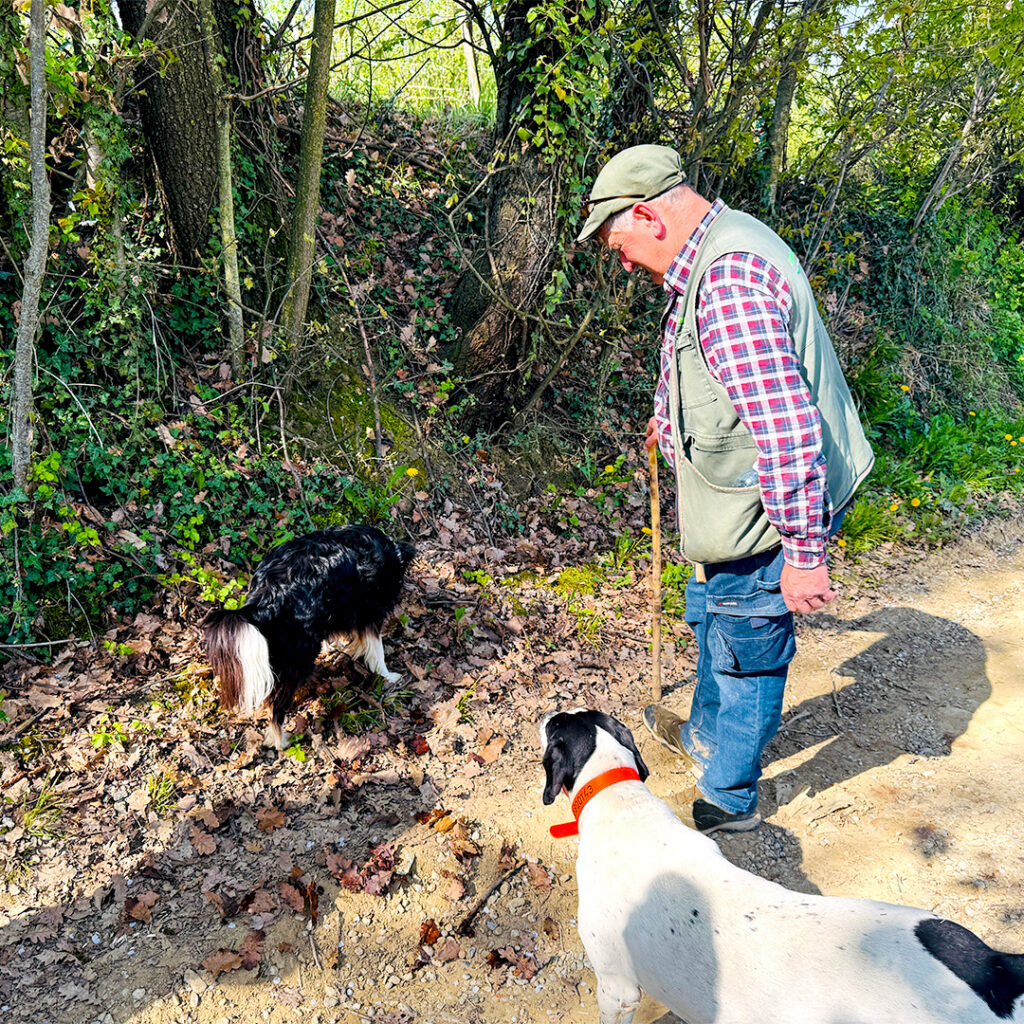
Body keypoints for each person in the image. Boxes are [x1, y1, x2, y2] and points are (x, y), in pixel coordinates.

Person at [577, 145, 874, 834]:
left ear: (648, 216)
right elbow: (707, 364)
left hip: (770, 507)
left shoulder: (729, 282)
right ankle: (704, 735)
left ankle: (729, 797)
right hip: (738, 498)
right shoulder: (714, 247)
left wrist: (804, 553)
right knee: (716, 615)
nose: (624, 264)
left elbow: (788, 431)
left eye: (620, 246)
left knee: (748, 645)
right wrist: (669, 414)